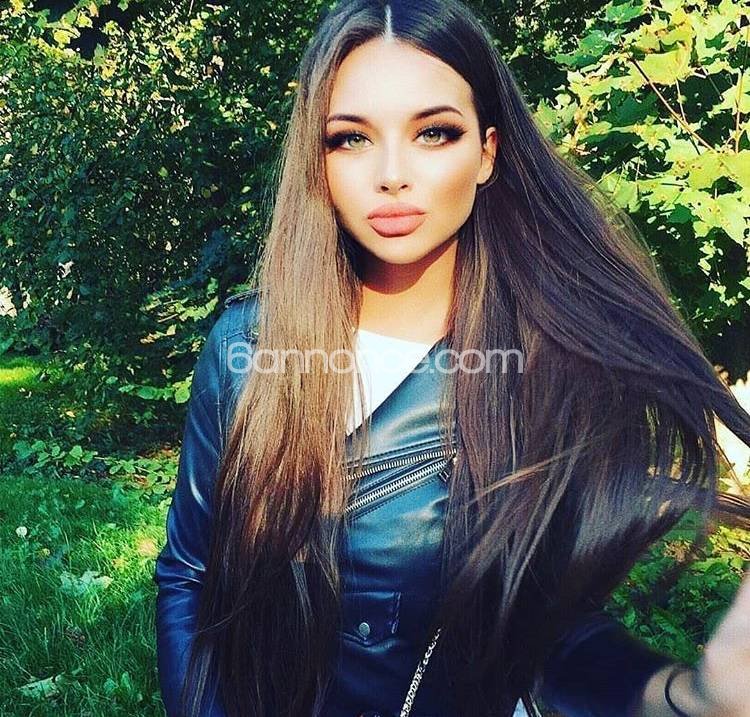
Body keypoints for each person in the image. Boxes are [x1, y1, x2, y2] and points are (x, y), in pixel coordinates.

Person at [153, 1, 750, 716]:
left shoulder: (546, 366)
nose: (392, 174)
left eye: (433, 132)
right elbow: (189, 575)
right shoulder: (245, 349)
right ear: (318, 160)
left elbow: (545, 632)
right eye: (350, 139)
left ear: (487, 152)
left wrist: (682, 697)